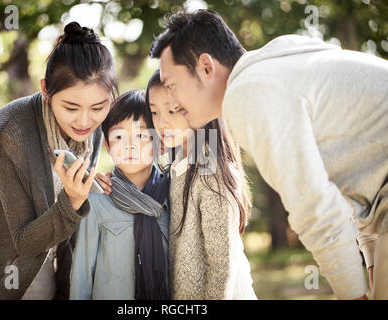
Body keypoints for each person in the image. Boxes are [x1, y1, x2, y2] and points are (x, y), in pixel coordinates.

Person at [149, 9, 388, 299]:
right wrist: (374, 258)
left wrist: (353, 295)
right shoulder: (278, 58)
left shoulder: (247, 93)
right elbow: (360, 169)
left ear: (206, 67)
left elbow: (314, 208)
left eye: (172, 85)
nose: (171, 101)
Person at [0, 22, 117, 299]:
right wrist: (72, 201)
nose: (85, 121)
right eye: (71, 107)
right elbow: (24, 241)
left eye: (98, 107)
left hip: (45, 249)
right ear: (46, 90)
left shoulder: (90, 132)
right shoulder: (9, 132)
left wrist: (95, 193)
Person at [147, 69, 256, 299]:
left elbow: (221, 264)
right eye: (154, 111)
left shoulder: (210, 174)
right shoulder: (178, 165)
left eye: (173, 110)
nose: (161, 122)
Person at [70, 90, 170, 300]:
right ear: (107, 145)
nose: (129, 145)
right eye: (118, 136)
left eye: (142, 135)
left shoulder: (173, 198)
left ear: (159, 143)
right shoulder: (96, 202)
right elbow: (82, 279)